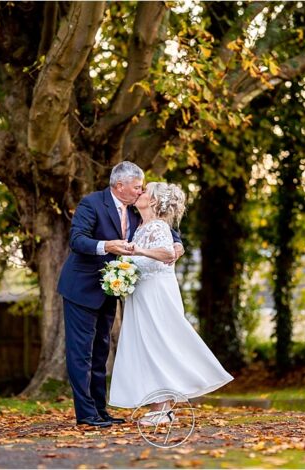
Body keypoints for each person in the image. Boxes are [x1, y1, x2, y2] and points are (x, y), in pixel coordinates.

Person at [57, 162, 184, 428]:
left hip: (110, 289)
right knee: (82, 352)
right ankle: (86, 414)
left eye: (142, 188)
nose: (141, 192)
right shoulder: (92, 204)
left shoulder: (138, 210)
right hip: (81, 287)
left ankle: (101, 411)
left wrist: (177, 243)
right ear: (120, 186)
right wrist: (106, 246)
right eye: (137, 187)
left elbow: (164, 227)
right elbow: (77, 240)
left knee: (102, 350)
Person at [108, 182, 233, 425]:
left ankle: (163, 409)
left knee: (161, 344)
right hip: (141, 295)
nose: (140, 193)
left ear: (153, 201)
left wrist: (138, 252)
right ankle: (160, 406)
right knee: (148, 348)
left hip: (157, 294)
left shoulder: (158, 226)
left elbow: (167, 253)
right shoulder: (141, 226)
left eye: (145, 191)